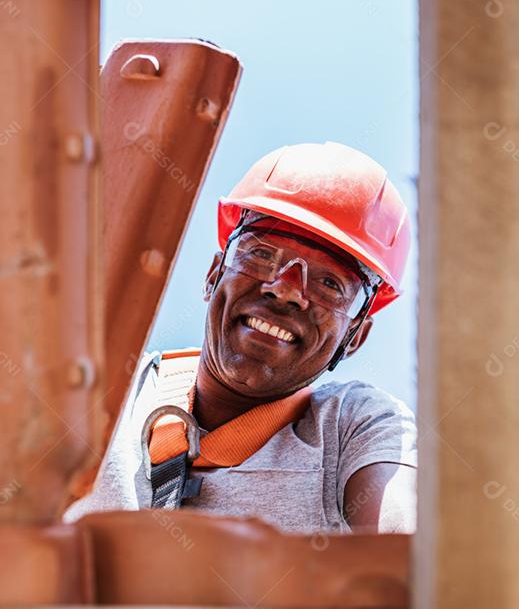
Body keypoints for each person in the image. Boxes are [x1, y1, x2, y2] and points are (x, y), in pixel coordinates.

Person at [63, 142, 416, 534]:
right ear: (214, 274)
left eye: (329, 283)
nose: (285, 290)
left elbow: (408, 549)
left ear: (354, 337)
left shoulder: (352, 427)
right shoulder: (107, 389)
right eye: (262, 255)